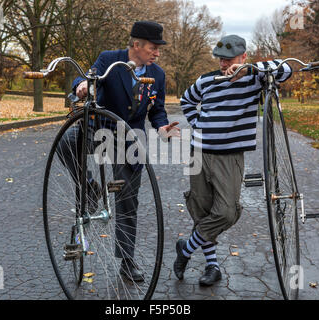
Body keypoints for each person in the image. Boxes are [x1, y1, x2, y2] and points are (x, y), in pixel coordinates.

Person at [57, 21, 180, 282]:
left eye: (159, 48)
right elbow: (88, 77)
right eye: (153, 47)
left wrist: (162, 128)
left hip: (130, 139)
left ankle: (127, 261)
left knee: (127, 201)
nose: (157, 53)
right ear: (136, 45)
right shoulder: (109, 59)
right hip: (99, 128)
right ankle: (88, 185)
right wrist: (80, 86)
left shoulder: (157, 74)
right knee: (66, 142)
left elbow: (156, 111)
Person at [174, 34, 293, 286]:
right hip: (199, 152)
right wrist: (197, 125)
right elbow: (187, 100)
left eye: (229, 60)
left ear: (243, 57)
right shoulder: (206, 80)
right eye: (220, 59)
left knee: (226, 212)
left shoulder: (254, 79)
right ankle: (212, 266)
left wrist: (251, 69)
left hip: (229, 157)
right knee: (201, 209)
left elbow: (287, 68)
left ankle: (186, 249)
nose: (223, 64)